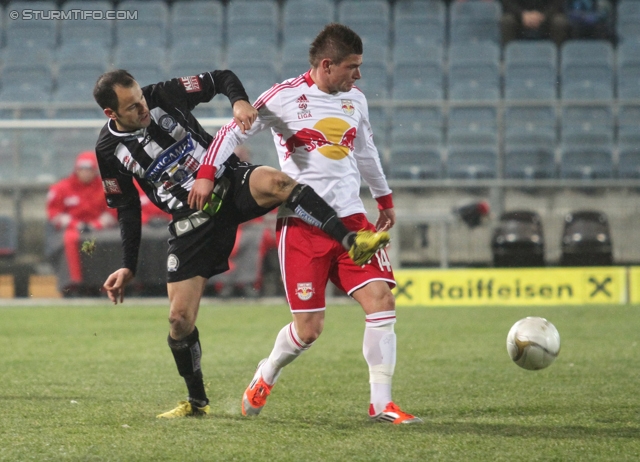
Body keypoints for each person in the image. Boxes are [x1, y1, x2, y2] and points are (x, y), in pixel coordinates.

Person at [92, 69, 389, 418]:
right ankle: (197, 402)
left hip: (228, 184)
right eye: (131, 106)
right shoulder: (108, 150)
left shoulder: (163, 95)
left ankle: (350, 240)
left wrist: (239, 101)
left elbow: (220, 78)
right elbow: (127, 209)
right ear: (111, 113)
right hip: (192, 225)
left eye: (140, 97)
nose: (142, 107)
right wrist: (128, 264)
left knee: (279, 182)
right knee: (178, 320)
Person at [204, 23, 422, 424]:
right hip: (302, 226)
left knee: (382, 300)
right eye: (352, 67)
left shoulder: (355, 99)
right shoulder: (283, 97)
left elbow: (366, 151)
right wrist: (206, 171)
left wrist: (385, 198)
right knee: (308, 329)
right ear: (327, 65)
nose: (358, 75)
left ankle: (382, 404)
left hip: (354, 222)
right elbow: (231, 133)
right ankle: (266, 372)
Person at [46, 151, 117, 296]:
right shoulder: (60, 187)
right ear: (76, 170)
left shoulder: (109, 185)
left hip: (100, 228)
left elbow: (114, 211)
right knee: (70, 240)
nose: (85, 173)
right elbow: (54, 213)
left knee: (112, 241)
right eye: (82, 169)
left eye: (89, 170)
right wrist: (75, 225)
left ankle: (107, 284)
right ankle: (73, 284)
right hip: (72, 228)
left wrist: (96, 225)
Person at [500, 0, 570, 46]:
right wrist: (522, 15)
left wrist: (543, 16)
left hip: (547, 18)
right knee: (507, 21)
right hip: (520, 18)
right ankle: (506, 59)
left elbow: (557, 3)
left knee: (559, 22)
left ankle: (558, 59)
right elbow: (507, 2)